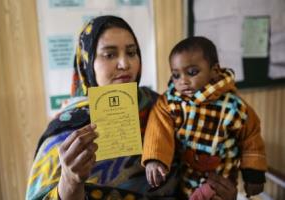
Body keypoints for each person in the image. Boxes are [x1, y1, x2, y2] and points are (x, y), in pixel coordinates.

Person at [26, 16, 239, 200]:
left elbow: (194, 173)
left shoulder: (167, 108)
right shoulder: (65, 130)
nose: (124, 64)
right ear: (87, 62)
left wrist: (217, 191)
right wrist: (70, 182)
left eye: (131, 52)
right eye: (109, 54)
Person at [141, 37, 267, 200]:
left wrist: (253, 174)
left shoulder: (233, 106)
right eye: (176, 75)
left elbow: (251, 137)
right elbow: (158, 130)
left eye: (192, 72)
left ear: (214, 70)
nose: (183, 81)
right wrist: (155, 159)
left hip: (221, 183)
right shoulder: (170, 103)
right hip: (185, 180)